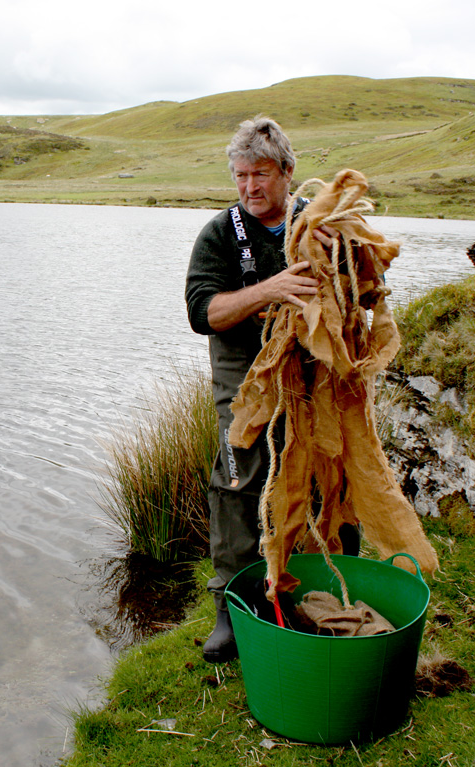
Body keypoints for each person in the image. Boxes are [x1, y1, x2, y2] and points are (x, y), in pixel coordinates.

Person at [185, 116, 355, 663]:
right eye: (239, 176)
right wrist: (272, 289)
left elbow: (363, 294)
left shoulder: (321, 222)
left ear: (287, 172)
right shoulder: (219, 234)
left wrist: (343, 257)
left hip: (317, 371)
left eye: (260, 174)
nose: (249, 187)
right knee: (238, 479)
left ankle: (332, 593)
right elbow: (202, 313)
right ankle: (231, 612)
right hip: (244, 374)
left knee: (332, 474)